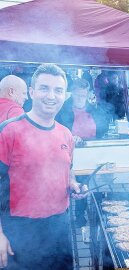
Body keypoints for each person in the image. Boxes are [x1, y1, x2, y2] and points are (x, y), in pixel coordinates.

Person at [0, 64, 87, 269]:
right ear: (31, 92)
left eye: (58, 90)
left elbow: (68, 169)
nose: (51, 96)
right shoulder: (9, 131)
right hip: (20, 232)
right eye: (44, 88)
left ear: (64, 95)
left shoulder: (66, 134)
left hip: (59, 228)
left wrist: (73, 184)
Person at [56, 78, 109, 227]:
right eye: (77, 95)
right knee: (69, 185)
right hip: (67, 153)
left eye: (83, 95)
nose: (80, 98)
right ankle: (69, 217)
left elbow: (102, 128)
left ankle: (89, 216)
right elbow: (55, 130)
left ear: (88, 94)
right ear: (72, 93)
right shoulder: (62, 110)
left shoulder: (94, 109)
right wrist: (70, 137)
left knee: (87, 184)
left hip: (90, 153)